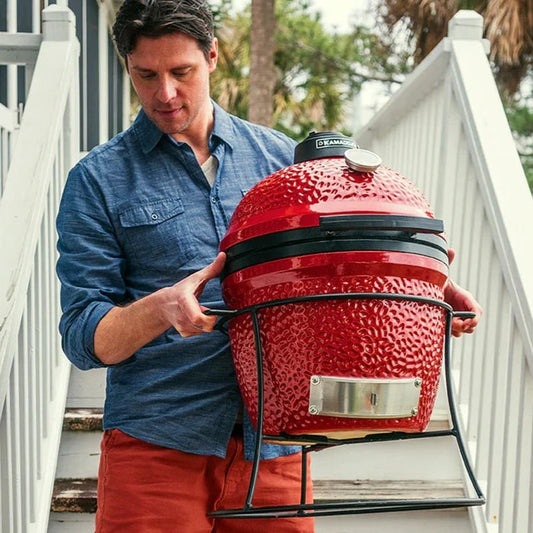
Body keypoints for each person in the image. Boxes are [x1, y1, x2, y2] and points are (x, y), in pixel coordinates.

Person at [55, 1, 482, 532]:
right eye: (146, 75)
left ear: (212, 56)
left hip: (277, 448)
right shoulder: (96, 180)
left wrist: (429, 289)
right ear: (127, 66)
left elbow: (343, 263)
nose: (165, 93)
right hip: (158, 445)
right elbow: (83, 336)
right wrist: (162, 309)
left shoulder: (284, 161)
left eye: (181, 72)